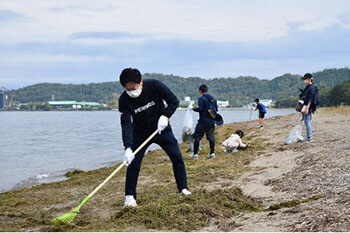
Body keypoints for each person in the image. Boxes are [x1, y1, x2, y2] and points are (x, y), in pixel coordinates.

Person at [118, 68, 191, 207]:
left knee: (177, 157)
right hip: (140, 133)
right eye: (128, 90)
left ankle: (183, 188)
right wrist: (127, 147)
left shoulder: (154, 86)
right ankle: (129, 196)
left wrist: (165, 116)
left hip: (161, 128)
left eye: (134, 88)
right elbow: (126, 124)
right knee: (133, 164)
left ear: (140, 82)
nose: (132, 92)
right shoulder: (124, 100)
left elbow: (174, 101)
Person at [189, 84, 218, 159]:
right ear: (207, 90)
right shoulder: (213, 99)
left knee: (197, 137)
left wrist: (193, 109)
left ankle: (195, 154)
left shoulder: (201, 99)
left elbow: (200, 109)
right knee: (211, 138)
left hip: (202, 122)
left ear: (200, 91)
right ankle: (212, 153)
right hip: (211, 122)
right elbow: (216, 110)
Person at [300, 73, 317, 142]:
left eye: (305, 79)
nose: (304, 80)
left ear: (310, 79)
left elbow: (310, 98)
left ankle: (309, 137)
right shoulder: (308, 87)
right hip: (306, 106)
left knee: (307, 122)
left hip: (308, 106)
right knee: (307, 121)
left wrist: (307, 108)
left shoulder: (311, 88)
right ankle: (309, 136)